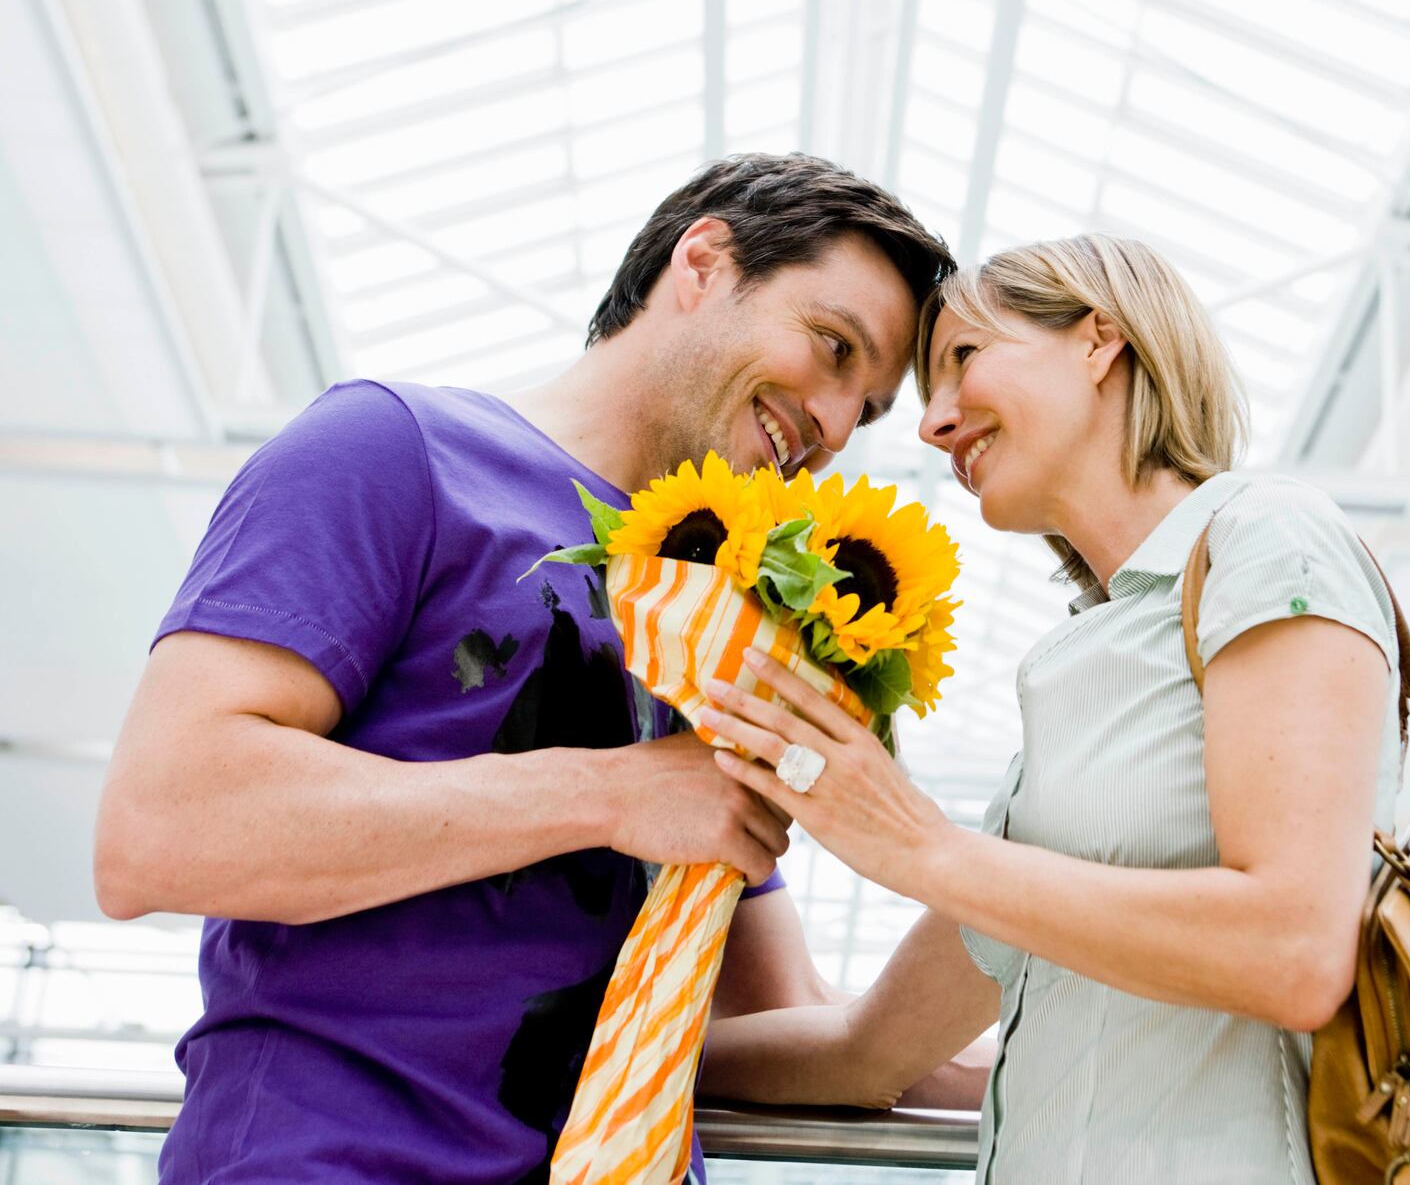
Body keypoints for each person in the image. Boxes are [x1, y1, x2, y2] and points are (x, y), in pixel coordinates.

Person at [95, 154, 982, 1183]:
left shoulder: (726, 615)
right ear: (702, 261)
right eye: (832, 347)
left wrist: (1057, 880)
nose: (831, 424)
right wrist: (612, 794)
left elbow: (808, 1028)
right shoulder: (394, 449)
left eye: (864, 407)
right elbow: (160, 827)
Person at [692, 233, 1404, 1183]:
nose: (932, 424)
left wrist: (920, 847)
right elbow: (869, 1051)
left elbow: (1295, 951)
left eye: (964, 358)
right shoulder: (1082, 683)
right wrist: (600, 1047)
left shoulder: (1269, 536)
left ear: (1099, 339)